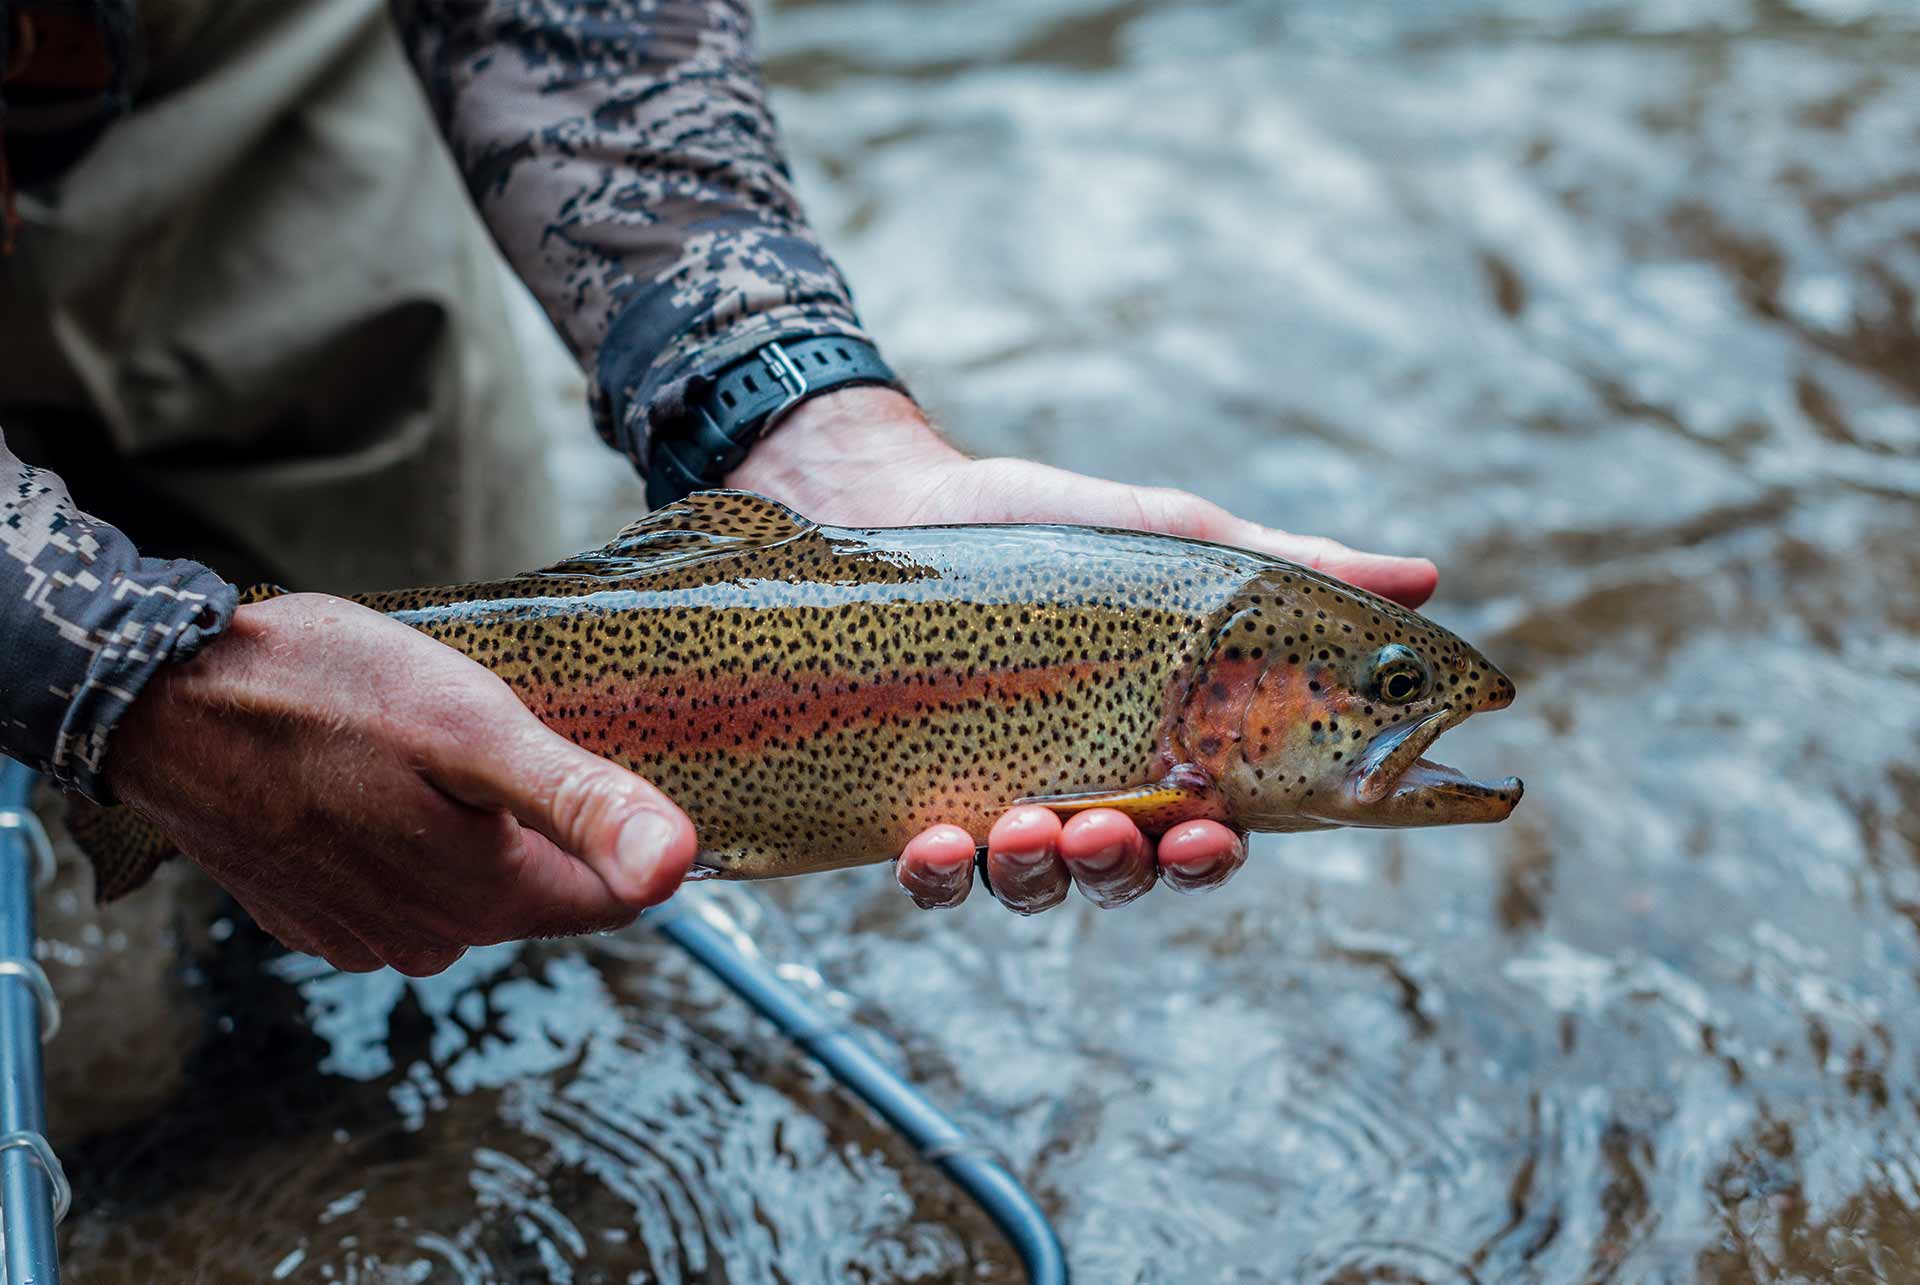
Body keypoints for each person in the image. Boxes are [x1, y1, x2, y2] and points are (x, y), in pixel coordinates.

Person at [0, 0, 1437, 977]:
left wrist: (776, 400)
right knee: (121, 980)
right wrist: (123, 677)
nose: (1395, 711)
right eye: (1375, 689)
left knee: (424, 833)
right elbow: (118, 668)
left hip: (200, 92)